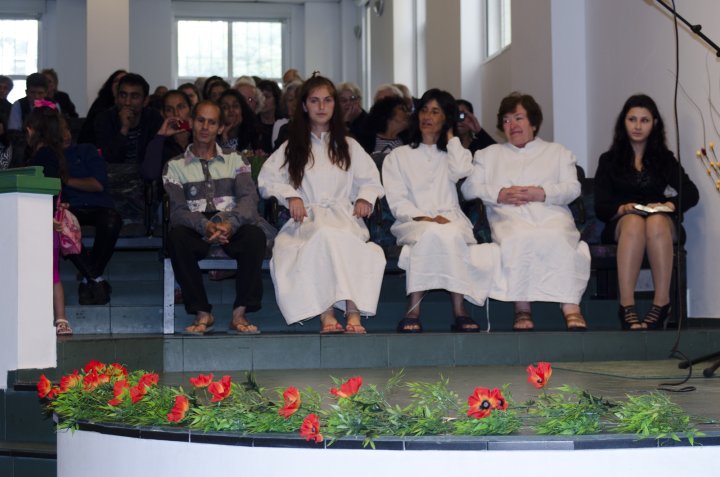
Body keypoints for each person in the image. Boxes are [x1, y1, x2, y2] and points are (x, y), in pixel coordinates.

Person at [258, 74, 385, 333]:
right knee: (325, 236)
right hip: (307, 220)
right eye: (314, 101)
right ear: (305, 106)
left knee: (346, 241)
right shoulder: (292, 146)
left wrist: (364, 197)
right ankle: (327, 311)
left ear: (334, 105)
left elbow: (371, 180)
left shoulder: (349, 145)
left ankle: (352, 310)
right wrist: (290, 196)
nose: (321, 106)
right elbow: (266, 180)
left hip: (344, 217)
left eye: (327, 100)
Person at [461, 92, 590, 331]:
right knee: (518, 237)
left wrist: (542, 193)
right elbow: (469, 189)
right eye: (507, 120)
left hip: (551, 213)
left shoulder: (558, 152)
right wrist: (499, 194)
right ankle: (522, 308)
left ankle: (571, 306)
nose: (512, 125)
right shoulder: (488, 155)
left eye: (518, 118)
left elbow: (573, 188)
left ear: (533, 123)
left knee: (557, 236)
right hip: (509, 216)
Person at [383, 89, 500, 333]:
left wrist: (451, 137)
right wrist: (424, 217)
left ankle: (449, 310)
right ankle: (429, 310)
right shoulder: (397, 156)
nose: (427, 116)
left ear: (446, 118)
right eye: (424, 110)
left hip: (451, 218)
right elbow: (397, 200)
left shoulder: (454, 154)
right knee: (432, 232)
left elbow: (461, 171)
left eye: (435, 112)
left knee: (448, 232)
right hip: (412, 221)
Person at [163, 100, 274, 335]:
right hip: (195, 226)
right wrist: (205, 226)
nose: (205, 127)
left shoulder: (236, 160)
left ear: (221, 127)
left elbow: (249, 200)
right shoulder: (174, 165)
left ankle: (240, 312)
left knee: (254, 236)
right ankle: (202, 312)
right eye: (200, 120)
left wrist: (230, 224)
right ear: (191, 122)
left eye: (212, 122)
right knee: (176, 238)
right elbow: (178, 211)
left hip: (231, 222)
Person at [594, 94, 699, 330]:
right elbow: (601, 207)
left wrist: (670, 205)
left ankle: (661, 303)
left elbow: (691, 192)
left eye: (645, 120)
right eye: (632, 119)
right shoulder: (609, 160)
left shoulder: (664, 159)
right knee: (633, 222)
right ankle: (627, 305)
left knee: (656, 222)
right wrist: (622, 208)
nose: (638, 126)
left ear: (655, 123)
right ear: (623, 122)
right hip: (623, 223)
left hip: (659, 223)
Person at [27, 101, 121, 307]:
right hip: (71, 207)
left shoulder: (86, 150)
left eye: (68, 130)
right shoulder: (50, 156)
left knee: (112, 220)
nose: (66, 135)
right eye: (60, 131)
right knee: (65, 224)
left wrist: (65, 180)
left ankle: (90, 278)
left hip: (98, 206)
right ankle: (95, 279)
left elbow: (97, 184)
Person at [94, 73, 163, 231]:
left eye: (134, 96)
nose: (127, 102)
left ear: (145, 100)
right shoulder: (104, 119)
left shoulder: (153, 119)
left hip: (143, 181)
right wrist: (124, 129)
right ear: (116, 97)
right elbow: (110, 158)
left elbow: (152, 162)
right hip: (113, 181)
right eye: (123, 95)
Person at [141, 90, 193, 181]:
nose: (176, 113)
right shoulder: (158, 141)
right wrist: (160, 137)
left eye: (181, 107)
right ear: (163, 114)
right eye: (169, 110)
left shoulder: (200, 137)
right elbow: (150, 174)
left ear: (190, 109)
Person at [77, 69, 127, 145]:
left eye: (124, 80)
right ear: (110, 85)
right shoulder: (100, 105)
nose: (120, 83)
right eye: (116, 81)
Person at [256, 79, 282, 154]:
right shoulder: (252, 124)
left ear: (276, 99)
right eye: (260, 97)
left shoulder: (283, 124)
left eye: (267, 97)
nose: (263, 100)